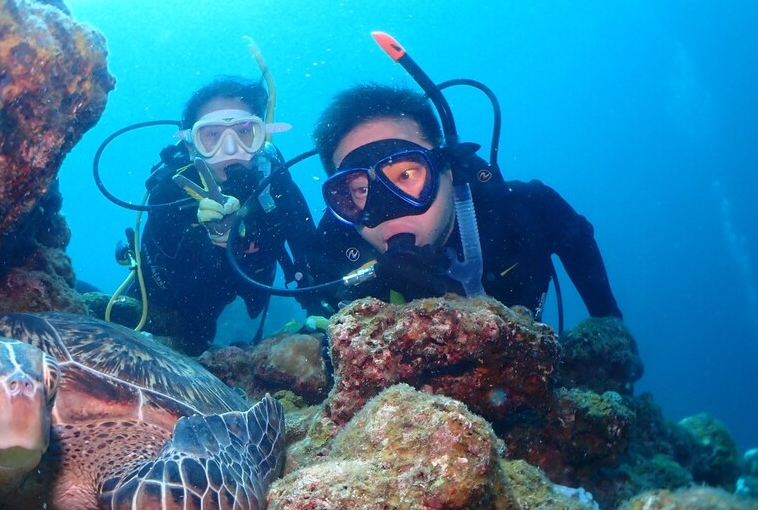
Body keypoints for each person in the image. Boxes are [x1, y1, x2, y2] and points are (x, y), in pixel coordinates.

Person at [308, 83, 622, 322]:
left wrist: (607, 324)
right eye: (361, 190)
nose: (387, 210)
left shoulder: (525, 211)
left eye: (406, 175)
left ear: (448, 168)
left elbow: (578, 241)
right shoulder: (336, 265)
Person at [132, 77, 317, 354]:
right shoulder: (171, 195)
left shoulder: (276, 186)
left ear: (261, 137)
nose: (231, 150)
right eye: (213, 136)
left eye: (244, 131)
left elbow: (315, 261)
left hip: (251, 305)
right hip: (164, 313)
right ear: (192, 145)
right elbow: (180, 298)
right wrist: (217, 243)